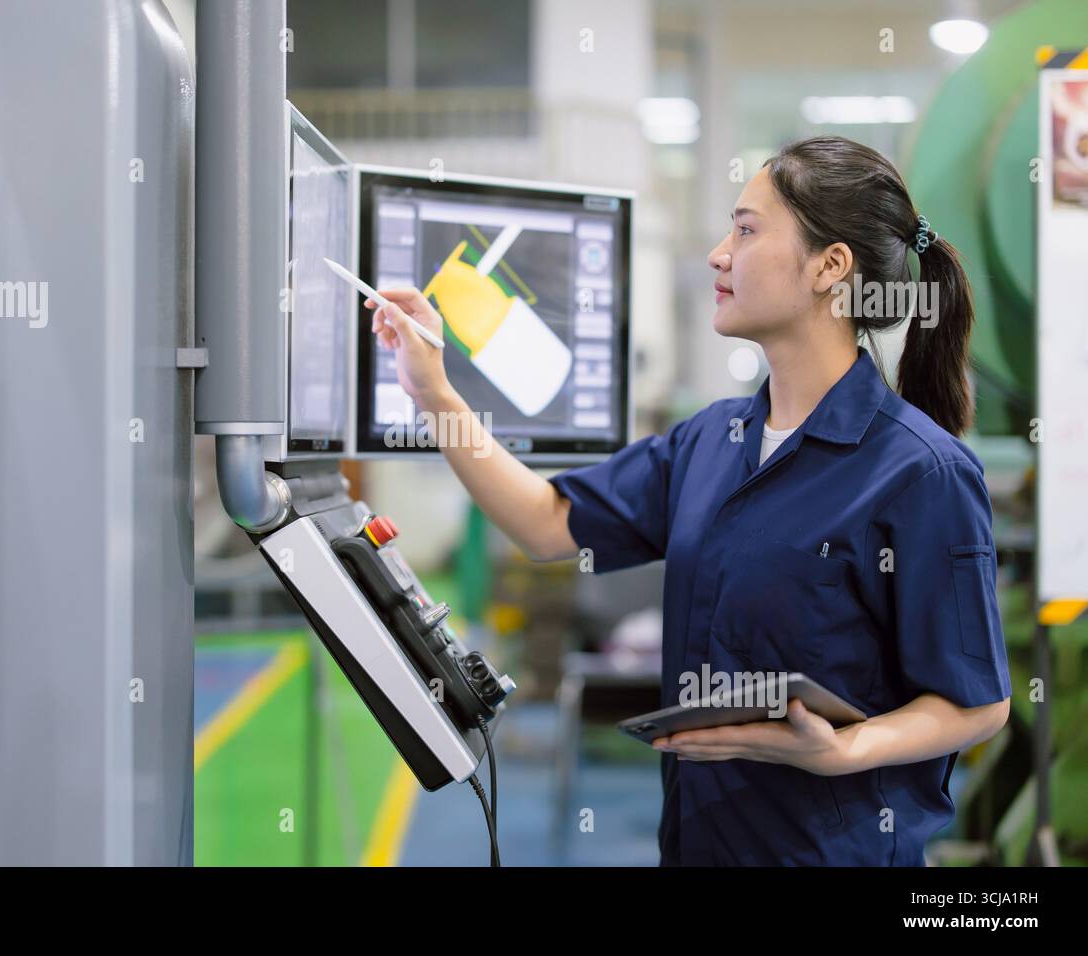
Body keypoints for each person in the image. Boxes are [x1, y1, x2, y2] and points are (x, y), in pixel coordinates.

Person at [365, 135, 1012, 866]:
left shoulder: (921, 472)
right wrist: (434, 393)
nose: (716, 253)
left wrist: (845, 749)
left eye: (744, 229)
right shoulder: (710, 441)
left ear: (830, 267)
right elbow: (549, 524)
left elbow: (977, 701)